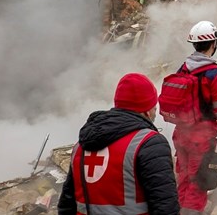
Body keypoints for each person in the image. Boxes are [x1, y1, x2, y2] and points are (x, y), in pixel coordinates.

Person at [57, 73, 179, 215]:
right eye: (154, 108)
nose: (155, 113)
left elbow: (66, 204)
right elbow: (166, 207)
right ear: (146, 111)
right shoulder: (150, 144)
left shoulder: (81, 146)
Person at [172, 21, 217, 215]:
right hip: (200, 138)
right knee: (198, 185)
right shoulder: (215, 73)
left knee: (183, 180)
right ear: (213, 44)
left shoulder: (184, 68)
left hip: (180, 135)